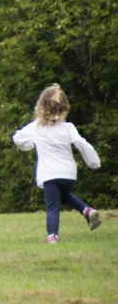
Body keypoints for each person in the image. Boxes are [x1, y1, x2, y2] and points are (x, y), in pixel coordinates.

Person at [12, 84, 102, 243]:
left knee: (52, 205)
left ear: (40, 107)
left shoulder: (36, 128)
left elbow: (17, 138)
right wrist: (93, 162)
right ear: (64, 108)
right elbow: (81, 143)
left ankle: (52, 235)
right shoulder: (68, 127)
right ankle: (86, 210)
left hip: (50, 174)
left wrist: (30, 145)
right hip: (68, 174)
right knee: (63, 196)